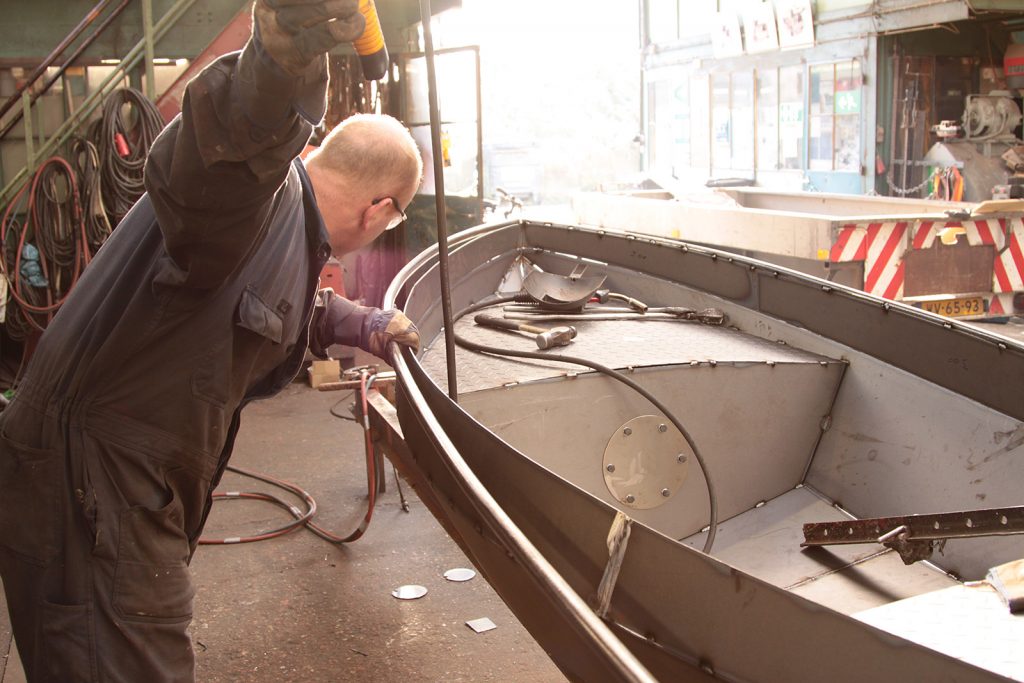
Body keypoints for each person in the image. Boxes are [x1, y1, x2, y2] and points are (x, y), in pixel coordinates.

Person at [0, 1, 422, 680]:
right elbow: (224, 150)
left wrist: (361, 323)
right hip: (97, 488)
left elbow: (270, 307)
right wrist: (280, 67)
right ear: (381, 210)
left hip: (104, 476)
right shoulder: (253, 192)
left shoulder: (287, 218)